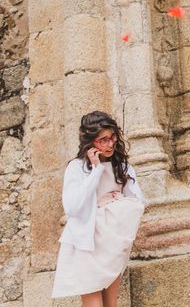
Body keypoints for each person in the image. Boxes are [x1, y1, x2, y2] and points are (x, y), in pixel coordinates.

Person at [52, 111, 145, 306]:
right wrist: (95, 171)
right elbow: (73, 208)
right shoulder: (77, 168)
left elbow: (137, 201)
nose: (110, 144)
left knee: (111, 304)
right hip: (87, 242)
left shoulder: (122, 166)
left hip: (112, 241)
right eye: (103, 140)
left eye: (112, 137)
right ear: (90, 142)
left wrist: (116, 203)